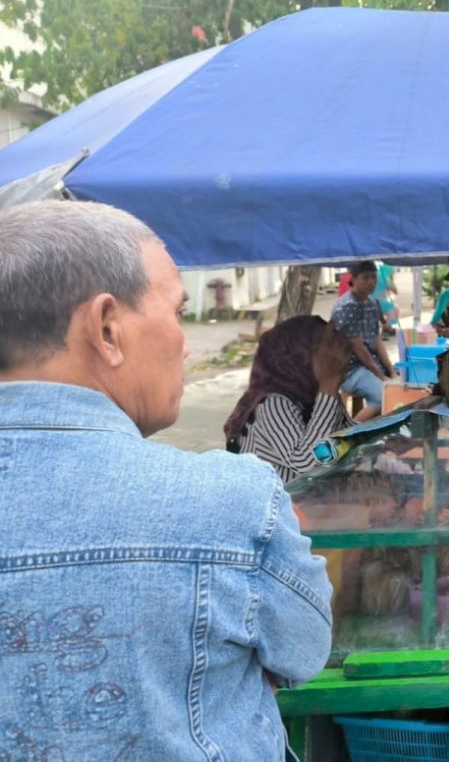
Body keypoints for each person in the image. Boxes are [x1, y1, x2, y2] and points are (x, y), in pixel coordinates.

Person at [0, 201, 332, 760]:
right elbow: (303, 651)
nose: (182, 342)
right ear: (107, 327)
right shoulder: (230, 503)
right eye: (177, 312)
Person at [224, 316, 354, 483]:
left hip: (307, 499)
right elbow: (310, 462)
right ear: (297, 356)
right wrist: (328, 385)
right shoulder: (272, 404)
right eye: (324, 349)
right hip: (273, 505)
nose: (335, 356)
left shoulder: (314, 395)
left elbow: (348, 434)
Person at [331, 260, 396, 421]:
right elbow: (359, 349)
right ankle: (347, 436)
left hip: (371, 366)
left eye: (374, 277)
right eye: (365, 277)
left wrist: (391, 370)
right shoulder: (347, 306)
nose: (371, 282)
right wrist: (382, 376)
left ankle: (374, 436)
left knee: (402, 387)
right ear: (353, 279)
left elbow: (377, 340)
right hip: (349, 369)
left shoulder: (373, 304)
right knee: (383, 397)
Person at [371, 260, 399, 335]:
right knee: (394, 309)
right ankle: (387, 327)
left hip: (368, 298)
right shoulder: (382, 276)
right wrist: (391, 280)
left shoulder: (376, 274)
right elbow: (394, 290)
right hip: (377, 300)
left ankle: (384, 326)